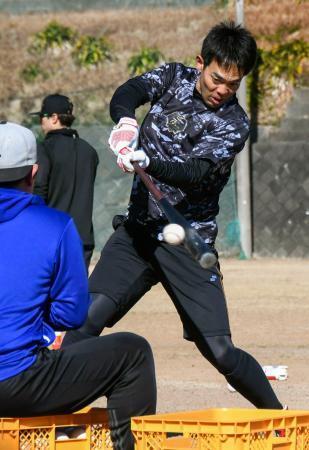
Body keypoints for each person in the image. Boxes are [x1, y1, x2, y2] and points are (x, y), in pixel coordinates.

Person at [63, 21, 283, 409]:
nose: (223, 90)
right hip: (138, 233)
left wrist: (151, 162)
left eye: (233, 84)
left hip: (187, 241)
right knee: (84, 321)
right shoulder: (171, 77)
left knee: (219, 351)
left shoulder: (234, 124)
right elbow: (128, 92)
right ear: (201, 63)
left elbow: (198, 174)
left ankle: (280, 417)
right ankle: (55, 411)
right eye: (217, 79)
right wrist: (126, 122)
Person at [0, 122, 156, 450]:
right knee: (133, 352)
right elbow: (70, 317)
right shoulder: (54, 226)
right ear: (33, 172)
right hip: (16, 382)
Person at [30, 94, 99, 270]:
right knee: (74, 295)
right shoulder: (89, 151)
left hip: (53, 237)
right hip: (82, 239)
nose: (41, 123)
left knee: (48, 294)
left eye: (42, 117)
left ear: (54, 118)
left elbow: (39, 190)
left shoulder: (44, 149)